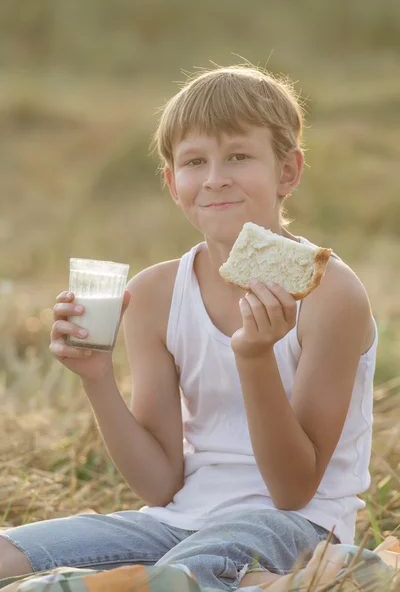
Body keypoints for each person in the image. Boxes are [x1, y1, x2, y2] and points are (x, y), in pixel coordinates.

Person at [0, 64, 378, 590]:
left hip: (299, 527)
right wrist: (97, 379)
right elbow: (159, 485)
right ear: (173, 183)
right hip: (178, 523)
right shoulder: (156, 294)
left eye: (239, 157)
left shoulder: (329, 293)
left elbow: (294, 490)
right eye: (195, 161)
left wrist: (254, 357)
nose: (215, 177)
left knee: (178, 575)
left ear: (288, 171)